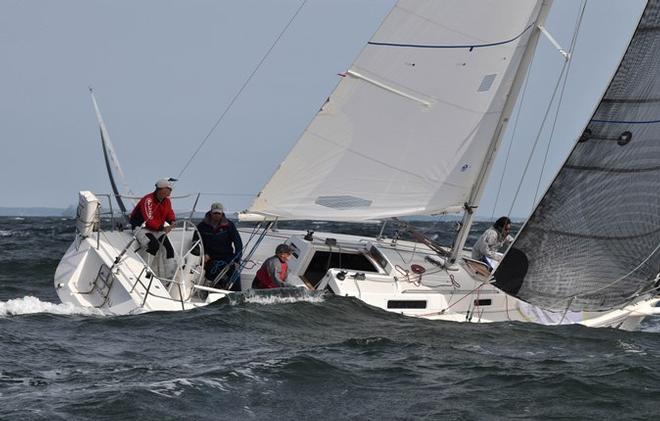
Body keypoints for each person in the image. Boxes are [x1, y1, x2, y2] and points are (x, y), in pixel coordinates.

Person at [192, 202, 243, 291]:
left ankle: (237, 294)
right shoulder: (202, 226)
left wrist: (237, 258)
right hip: (210, 257)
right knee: (212, 273)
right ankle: (213, 293)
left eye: (218, 213)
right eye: (215, 213)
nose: (216, 215)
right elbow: (196, 242)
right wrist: (203, 255)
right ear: (211, 212)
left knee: (235, 274)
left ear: (222, 213)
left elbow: (238, 242)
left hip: (227, 256)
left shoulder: (229, 225)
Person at [129, 178, 176, 262]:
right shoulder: (148, 200)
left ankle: (170, 273)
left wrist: (172, 221)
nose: (170, 191)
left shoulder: (167, 201)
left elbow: (169, 212)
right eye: (169, 189)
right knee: (153, 245)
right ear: (161, 189)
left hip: (157, 229)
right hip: (141, 228)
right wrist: (162, 228)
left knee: (169, 249)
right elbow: (148, 219)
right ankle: (145, 271)